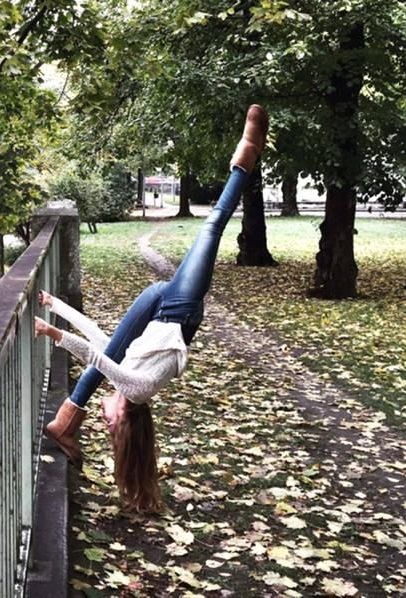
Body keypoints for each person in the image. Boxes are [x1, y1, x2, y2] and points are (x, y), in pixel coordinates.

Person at [34, 105, 268, 511]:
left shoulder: (129, 384)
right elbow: (94, 355)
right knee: (212, 226)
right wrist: (53, 334)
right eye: (109, 424)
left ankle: (66, 420)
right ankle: (245, 159)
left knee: (111, 351)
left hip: (161, 305)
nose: (105, 420)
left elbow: (100, 342)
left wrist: (56, 306)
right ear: (122, 418)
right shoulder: (135, 389)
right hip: (180, 308)